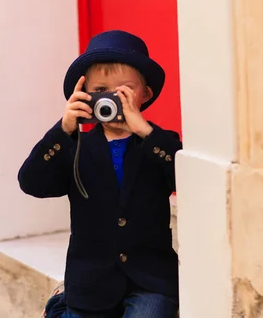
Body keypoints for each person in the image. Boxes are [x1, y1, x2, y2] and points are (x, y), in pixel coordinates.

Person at [18, 30, 181, 318]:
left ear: (145, 95)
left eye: (123, 91)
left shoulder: (157, 143)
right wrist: (64, 128)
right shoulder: (75, 146)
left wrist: (143, 130)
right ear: (84, 95)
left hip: (150, 279)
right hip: (92, 281)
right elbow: (32, 183)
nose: (111, 99)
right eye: (101, 90)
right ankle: (64, 302)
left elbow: (184, 179)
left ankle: (62, 304)